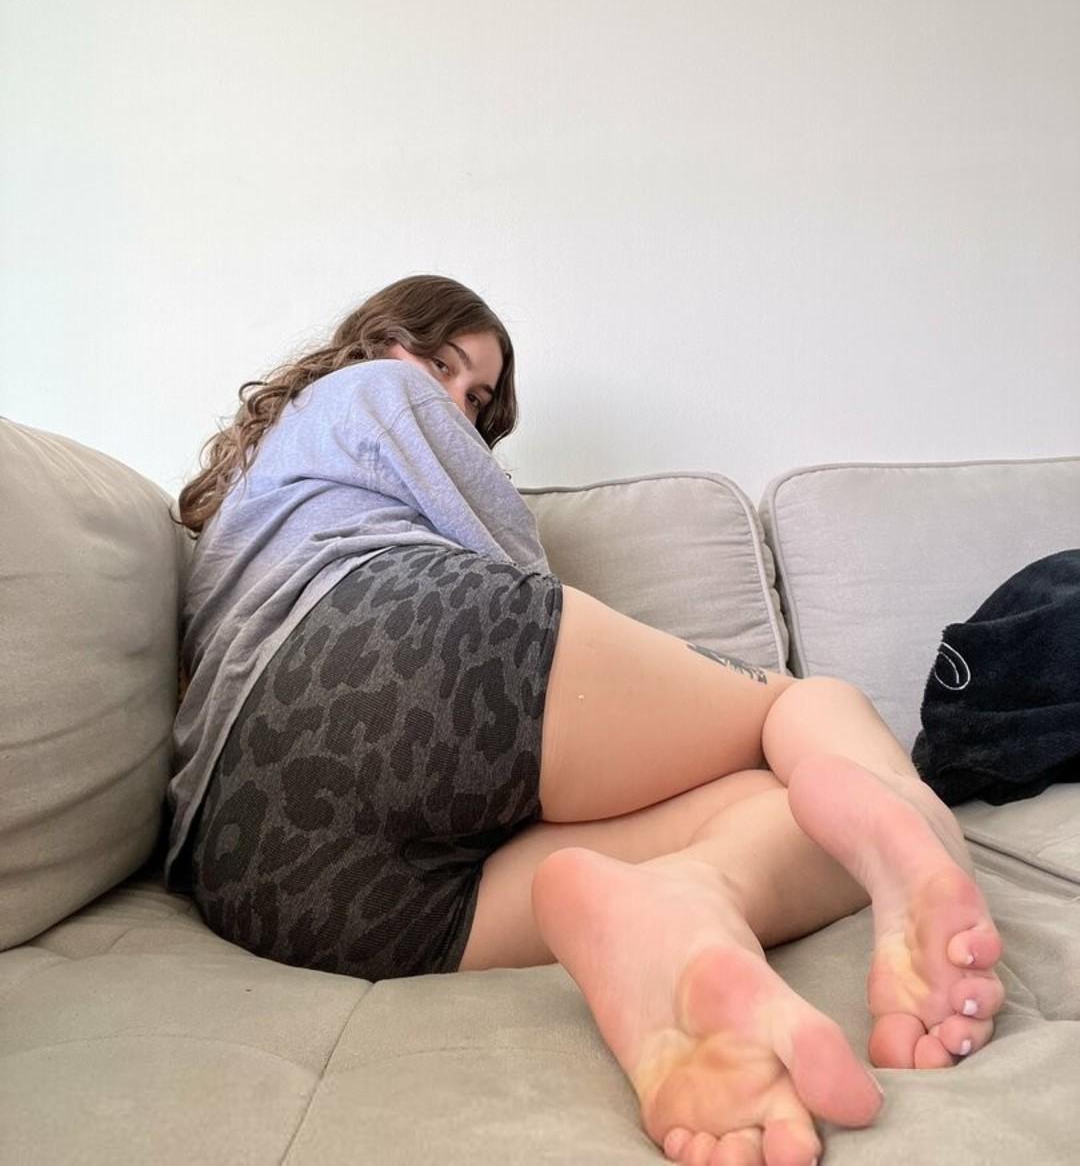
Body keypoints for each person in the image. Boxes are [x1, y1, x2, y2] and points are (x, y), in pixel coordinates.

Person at [166, 273, 1004, 1166]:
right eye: (442, 363)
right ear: (377, 341)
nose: (455, 401)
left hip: (267, 877)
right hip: (388, 639)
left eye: (477, 397)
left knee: (779, 803)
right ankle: (925, 836)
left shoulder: (245, 503)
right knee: (793, 703)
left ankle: (691, 898)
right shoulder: (372, 385)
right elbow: (514, 573)